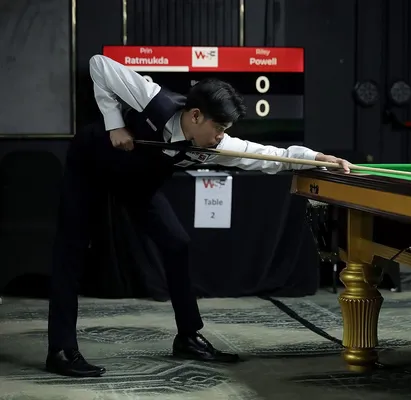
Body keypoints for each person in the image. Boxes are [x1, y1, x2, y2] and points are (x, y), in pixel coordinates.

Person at [45, 54, 351, 378]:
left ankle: (188, 337)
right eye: (218, 128)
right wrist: (114, 123)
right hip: (91, 164)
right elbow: (98, 64)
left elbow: (269, 156)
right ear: (195, 115)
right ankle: (61, 350)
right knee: (71, 249)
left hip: (136, 184)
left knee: (177, 243)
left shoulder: (212, 146)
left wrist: (318, 158)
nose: (220, 137)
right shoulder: (152, 98)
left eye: (225, 130)